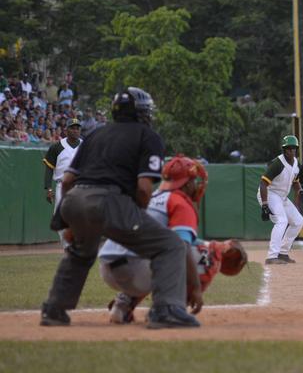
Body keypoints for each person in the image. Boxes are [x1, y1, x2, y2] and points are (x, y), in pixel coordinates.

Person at [40, 87, 201, 329]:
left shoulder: (94, 135)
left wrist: (69, 221)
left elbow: (66, 181)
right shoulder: (148, 136)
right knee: (171, 245)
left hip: (74, 200)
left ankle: (54, 309)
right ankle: (166, 309)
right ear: (141, 113)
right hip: (110, 201)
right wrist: (134, 216)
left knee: (80, 251)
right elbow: (145, 188)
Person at [97, 155, 248, 324]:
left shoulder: (152, 196)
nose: (196, 185)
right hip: (134, 270)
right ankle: (169, 309)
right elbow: (181, 247)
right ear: (187, 183)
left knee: (165, 249)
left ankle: (123, 306)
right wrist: (196, 287)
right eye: (194, 180)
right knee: (204, 254)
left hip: (107, 266)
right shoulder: (180, 202)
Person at [258, 135, 303, 265]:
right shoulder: (277, 163)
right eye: (288, 148)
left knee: (298, 221)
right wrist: (265, 204)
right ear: (284, 150)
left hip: (282, 197)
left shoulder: (296, 164)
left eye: (293, 148)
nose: (291, 151)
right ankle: (272, 256)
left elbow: (295, 182)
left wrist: (300, 190)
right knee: (282, 221)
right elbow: (263, 184)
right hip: (269, 193)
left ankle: (283, 253)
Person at [42, 118, 82, 248]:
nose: (75, 130)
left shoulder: (85, 146)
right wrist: (48, 188)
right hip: (62, 185)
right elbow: (49, 168)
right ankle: (67, 247)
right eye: (72, 128)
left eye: (77, 128)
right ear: (66, 130)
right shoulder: (57, 146)